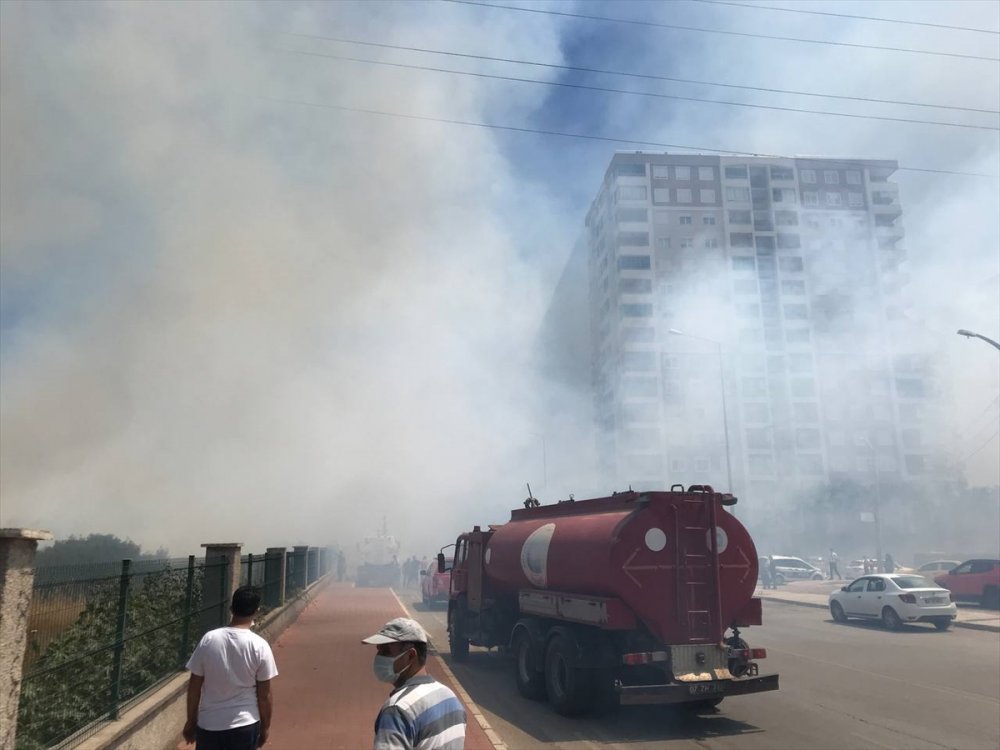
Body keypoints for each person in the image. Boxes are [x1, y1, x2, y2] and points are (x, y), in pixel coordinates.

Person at [183, 586, 278, 749]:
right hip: (245, 725)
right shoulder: (260, 646)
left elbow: (194, 687)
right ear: (257, 611)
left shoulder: (209, 639)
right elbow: (265, 695)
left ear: (231, 608)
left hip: (209, 725)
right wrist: (265, 727)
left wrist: (191, 721)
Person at [362, 617, 466, 750]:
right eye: (378, 651)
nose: (378, 657)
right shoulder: (450, 697)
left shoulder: (398, 711)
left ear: (410, 655)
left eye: (385, 651)